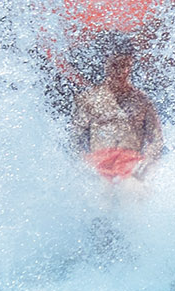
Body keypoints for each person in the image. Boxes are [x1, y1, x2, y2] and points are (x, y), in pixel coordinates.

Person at [66, 34, 164, 182]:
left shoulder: (142, 101)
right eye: (115, 65)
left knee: (131, 188)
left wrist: (147, 162)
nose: (121, 72)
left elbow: (156, 140)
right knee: (102, 191)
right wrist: (84, 164)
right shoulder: (89, 100)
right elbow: (75, 140)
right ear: (105, 63)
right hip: (99, 163)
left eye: (125, 65)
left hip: (130, 163)